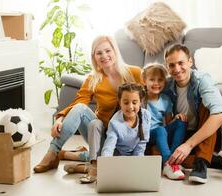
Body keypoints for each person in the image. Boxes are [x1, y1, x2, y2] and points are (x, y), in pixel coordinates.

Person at [33, 36, 143, 179]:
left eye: (108, 50)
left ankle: (71, 156)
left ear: (115, 51)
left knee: (110, 157)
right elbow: (79, 101)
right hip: (102, 134)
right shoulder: (93, 79)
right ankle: (53, 152)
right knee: (81, 109)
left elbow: (152, 94)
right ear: (94, 57)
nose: (104, 56)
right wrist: (60, 118)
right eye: (99, 53)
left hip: (127, 137)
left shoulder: (134, 73)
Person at [162, 44, 222, 184]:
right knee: (153, 154)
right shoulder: (166, 86)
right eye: (172, 65)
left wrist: (188, 145)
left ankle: (200, 162)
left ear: (190, 62)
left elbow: (221, 115)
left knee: (210, 108)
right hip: (180, 134)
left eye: (181, 63)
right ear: (167, 67)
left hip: (204, 135)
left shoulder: (202, 79)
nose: (177, 69)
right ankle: (209, 158)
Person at [81, 83, 150, 183]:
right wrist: (105, 170)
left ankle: (81, 165)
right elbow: (108, 148)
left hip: (131, 157)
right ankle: (92, 169)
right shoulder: (115, 122)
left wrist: (137, 165)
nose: (130, 107)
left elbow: (141, 145)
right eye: (126, 103)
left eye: (134, 102)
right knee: (118, 172)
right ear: (120, 103)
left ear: (140, 102)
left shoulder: (146, 116)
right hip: (116, 156)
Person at [143, 63, 187, 180]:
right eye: (152, 79)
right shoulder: (141, 98)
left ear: (164, 82)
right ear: (144, 81)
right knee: (160, 129)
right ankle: (169, 162)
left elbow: (168, 123)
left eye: (160, 80)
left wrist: (176, 117)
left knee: (181, 122)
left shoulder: (166, 100)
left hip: (161, 133)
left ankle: (171, 161)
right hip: (145, 134)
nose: (156, 83)